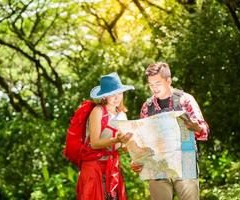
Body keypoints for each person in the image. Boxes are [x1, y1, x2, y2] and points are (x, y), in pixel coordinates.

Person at [130, 62, 209, 200]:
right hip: (157, 165)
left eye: (158, 83)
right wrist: (137, 159)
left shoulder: (186, 100)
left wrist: (196, 127)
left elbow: (204, 131)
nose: (154, 88)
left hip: (185, 162)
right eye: (151, 84)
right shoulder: (146, 107)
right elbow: (142, 140)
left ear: (169, 80)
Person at [76, 72, 134, 200]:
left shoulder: (122, 115)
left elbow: (123, 146)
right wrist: (116, 139)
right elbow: (95, 143)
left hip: (112, 167)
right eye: (112, 94)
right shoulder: (98, 111)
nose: (117, 97)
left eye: (119, 93)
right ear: (104, 96)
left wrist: (131, 144)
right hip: (94, 167)